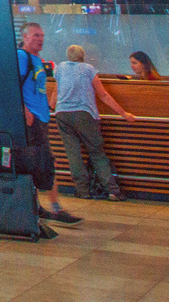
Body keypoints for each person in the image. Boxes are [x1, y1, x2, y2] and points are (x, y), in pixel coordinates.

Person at [53, 44, 137, 200]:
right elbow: (103, 95)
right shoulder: (88, 69)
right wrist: (123, 113)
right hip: (85, 114)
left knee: (74, 155)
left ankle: (82, 191)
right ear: (82, 56)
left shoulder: (60, 68)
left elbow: (55, 95)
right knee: (97, 153)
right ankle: (112, 190)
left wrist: (52, 108)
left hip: (62, 114)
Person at [16, 22, 80, 228]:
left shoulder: (38, 60)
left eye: (42, 35)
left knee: (41, 163)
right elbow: (13, 86)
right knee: (44, 163)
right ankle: (54, 208)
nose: (40, 39)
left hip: (41, 118)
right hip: (31, 120)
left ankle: (40, 206)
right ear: (25, 37)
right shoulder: (21, 57)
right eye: (36, 35)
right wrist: (25, 112)